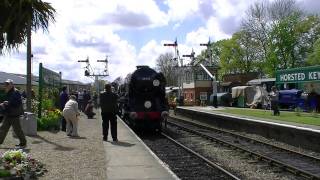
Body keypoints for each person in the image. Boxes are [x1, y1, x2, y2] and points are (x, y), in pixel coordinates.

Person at [0, 79, 27, 148]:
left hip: (14, 114)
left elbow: (17, 103)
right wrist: (4, 104)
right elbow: (9, 102)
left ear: (12, 84)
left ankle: (23, 143)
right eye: (6, 84)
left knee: (17, 129)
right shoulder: (9, 91)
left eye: (8, 84)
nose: (6, 85)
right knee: (3, 128)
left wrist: (8, 103)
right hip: (8, 114)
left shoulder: (16, 92)